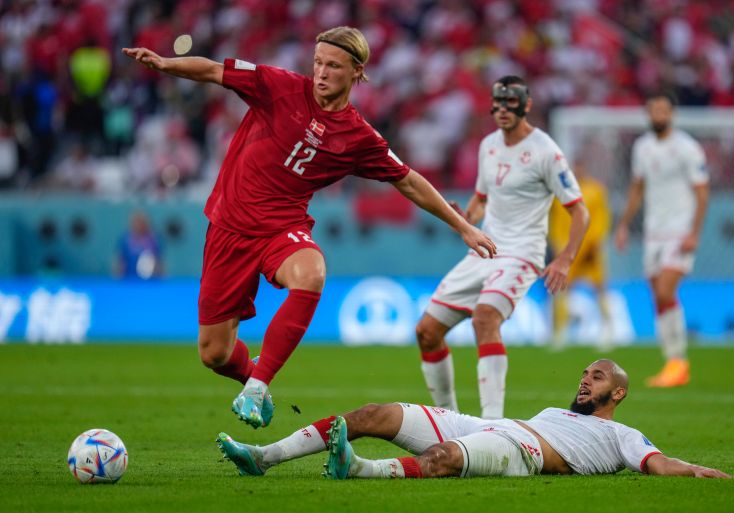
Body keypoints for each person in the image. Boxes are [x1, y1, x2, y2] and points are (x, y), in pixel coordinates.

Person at [122, 26, 496, 430]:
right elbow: (213, 71)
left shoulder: (358, 136)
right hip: (229, 228)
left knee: (312, 272)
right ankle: (252, 379)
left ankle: (258, 384)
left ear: (356, 71)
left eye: (332, 65)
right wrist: (164, 63)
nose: (321, 72)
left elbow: (407, 180)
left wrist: (462, 226)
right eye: (317, 62)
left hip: (283, 228)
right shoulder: (279, 86)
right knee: (214, 353)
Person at [215, 359, 730, 480]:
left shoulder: (621, 434)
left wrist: (696, 471)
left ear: (617, 392)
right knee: (373, 412)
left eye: (595, 378)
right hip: (491, 425)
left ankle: (362, 470)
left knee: (441, 461)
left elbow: (657, 463)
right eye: (583, 374)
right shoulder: (557, 410)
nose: (584, 381)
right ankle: (266, 455)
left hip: (522, 454)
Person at [413, 76, 590, 418]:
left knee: (485, 318)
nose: (503, 110)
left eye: (511, 103)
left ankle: (492, 427)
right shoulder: (488, 145)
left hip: (523, 253)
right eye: (498, 103)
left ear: (526, 106)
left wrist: (565, 259)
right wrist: (466, 217)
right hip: (486, 248)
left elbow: (579, 210)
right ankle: (450, 421)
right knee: (426, 332)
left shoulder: (546, 151)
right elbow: (481, 199)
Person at [615, 92, 709, 387]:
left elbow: (702, 192)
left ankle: (678, 361)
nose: (659, 115)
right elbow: (637, 188)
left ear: (672, 114)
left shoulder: (687, 148)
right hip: (653, 233)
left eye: (663, 110)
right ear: (648, 114)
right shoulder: (642, 147)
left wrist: (694, 232)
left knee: (666, 291)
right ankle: (672, 361)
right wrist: (624, 225)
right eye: (654, 110)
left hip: (679, 230)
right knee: (658, 295)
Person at [548, 159, 612, 350]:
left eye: (580, 166)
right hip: (568, 249)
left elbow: (602, 219)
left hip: (590, 248)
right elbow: (556, 222)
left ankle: (608, 330)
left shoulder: (596, 190)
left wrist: (595, 242)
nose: (577, 170)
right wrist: (558, 244)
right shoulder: (560, 193)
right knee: (561, 288)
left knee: (599, 287)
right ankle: (560, 332)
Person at [115, 210, 163, 279]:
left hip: (150, 282)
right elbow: (120, 261)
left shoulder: (154, 239)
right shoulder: (125, 239)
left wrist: (159, 278)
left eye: (141, 222)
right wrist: (118, 278)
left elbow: (159, 261)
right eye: (136, 221)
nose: (138, 224)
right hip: (129, 281)